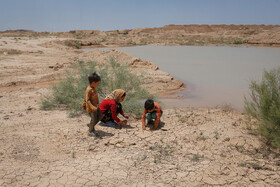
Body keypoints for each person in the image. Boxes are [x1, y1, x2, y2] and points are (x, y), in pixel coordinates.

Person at [82, 72, 102, 137]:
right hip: (91, 108)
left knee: (100, 116)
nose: (98, 85)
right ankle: (90, 131)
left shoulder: (93, 88)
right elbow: (87, 100)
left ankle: (91, 125)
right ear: (93, 83)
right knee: (94, 119)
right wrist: (92, 107)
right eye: (98, 83)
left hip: (95, 106)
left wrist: (97, 104)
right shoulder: (88, 90)